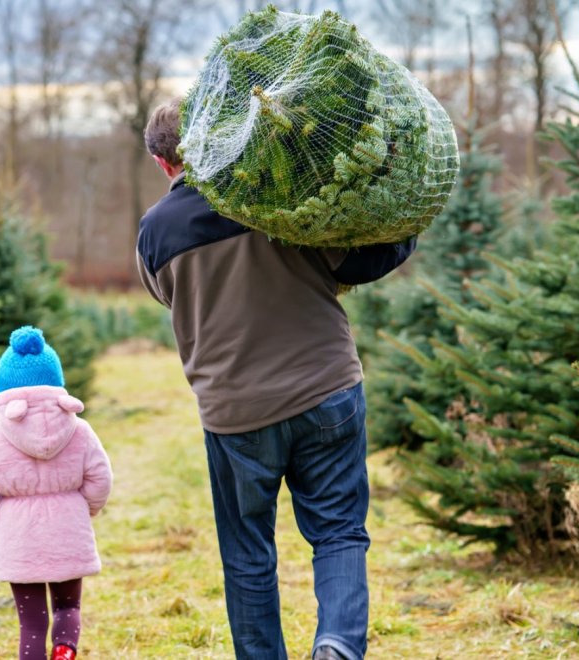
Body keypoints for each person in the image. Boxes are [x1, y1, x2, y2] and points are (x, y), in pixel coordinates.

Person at [135, 100, 416, 660]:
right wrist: (405, 227)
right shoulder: (274, 194)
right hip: (326, 390)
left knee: (247, 554)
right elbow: (357, 263)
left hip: (235, 413)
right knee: (338, 530)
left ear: (164, 163)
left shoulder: (154, 232)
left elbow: (167, 296)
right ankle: (337, 643)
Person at [0, 326, 113, 660]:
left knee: (31, 624)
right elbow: (101, 478)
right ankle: (64, 651)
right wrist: (85, 509)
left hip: (19, 538)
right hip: (69, 532)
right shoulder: (81, 431)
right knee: (68, 607)